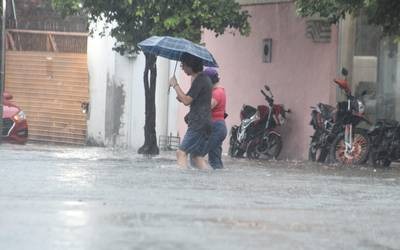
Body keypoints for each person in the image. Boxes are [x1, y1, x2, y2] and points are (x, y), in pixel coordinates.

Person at [169, 53, 212, 169]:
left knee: (181, 152)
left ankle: (183, 181)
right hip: (205, 123)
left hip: (198, 123)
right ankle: (208, 179)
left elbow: (187, 100)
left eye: (183, 65)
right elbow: (188, 98)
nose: (182, 68)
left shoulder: (199, 80)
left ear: (190, 65)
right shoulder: (203, 79)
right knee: (196, 157)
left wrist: (175, 85)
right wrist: (180, 96)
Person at [203, 68, 227, 169]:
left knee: (197, 154)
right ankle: (218, 180)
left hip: (216, 127)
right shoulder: (220, 91)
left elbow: (208, 107)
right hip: (219, 127)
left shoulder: (217, 93)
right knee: (215, 158)